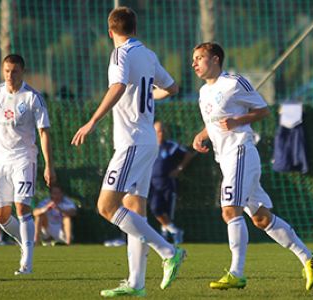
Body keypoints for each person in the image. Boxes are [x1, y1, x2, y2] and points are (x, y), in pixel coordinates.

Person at [71, 7, 185, 297]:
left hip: (131, 141)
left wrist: (93, 120)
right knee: (135, 210)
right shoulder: (148, 54)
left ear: (111, 31)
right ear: (134, 28)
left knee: (107, 206)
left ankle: (168, 251)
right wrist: (147, 95)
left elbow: (118, 85)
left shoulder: (120, 54)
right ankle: (136, 284)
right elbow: (172, 88)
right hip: (147, 141)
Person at [191, 42, 313, 291]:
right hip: (226, 159)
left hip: (240, 152)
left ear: (216, 59)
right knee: (262, 219)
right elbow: (216, 123)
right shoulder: (202, 92)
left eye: (200, 58)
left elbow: (262, 110)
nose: (194, 63)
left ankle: (236, 273)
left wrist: (239, 119)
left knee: (230, 211)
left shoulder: (234, 82)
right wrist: (201, 135)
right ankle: (309, 258)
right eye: (194, 59)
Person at [0, 54, 56, 275]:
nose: (10, 75)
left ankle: (27, 264)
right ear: (3, 71)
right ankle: (26, 240)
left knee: (22, 207)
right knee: (1, 215)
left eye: (15, 71)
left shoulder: (33, 98)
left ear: (23, 72)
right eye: (7, 71)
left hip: (24, 158)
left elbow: (44, 132)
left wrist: (49, 165)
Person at [149, 120, 195, 244]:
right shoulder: (149, 146)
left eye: (163, 131)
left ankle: (166, 238)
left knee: (167, 212)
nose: (161, 133)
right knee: (155, 208)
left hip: (168, 183)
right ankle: (175, 231)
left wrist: (179, 169)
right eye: (158, 131)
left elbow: (188, 154)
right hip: (153, 184)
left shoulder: (171, 146)